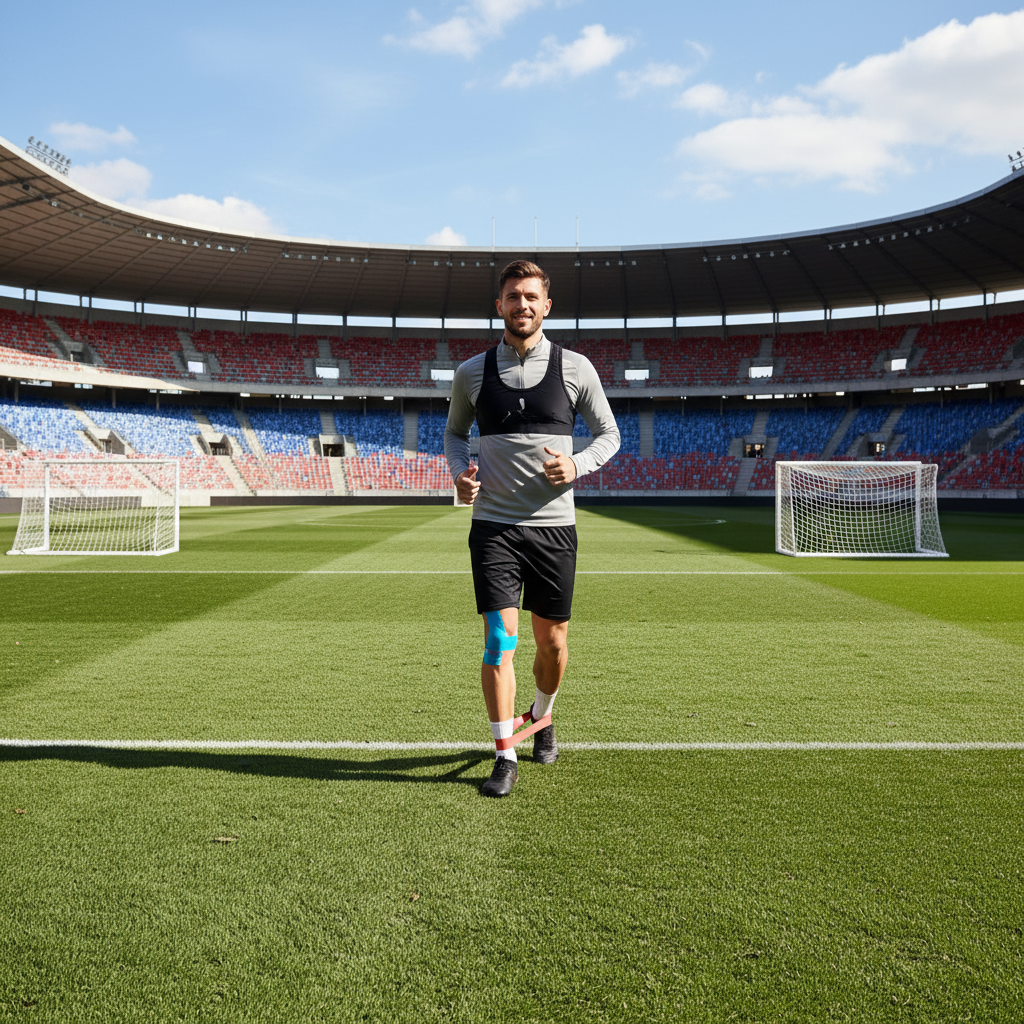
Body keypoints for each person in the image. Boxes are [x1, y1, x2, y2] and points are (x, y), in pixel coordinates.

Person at [444, 260, 620, 798]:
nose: (521, 305)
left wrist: (578, 465)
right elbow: (454, 434)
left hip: (553, 530)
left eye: (531, 297)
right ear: (498, 306)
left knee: (554, 644)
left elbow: (609, 435)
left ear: (546, 306)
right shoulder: (472, 372)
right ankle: (504, 753)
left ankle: (542, 716)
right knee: (500, 641)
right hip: (494, 526)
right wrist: (459, 477)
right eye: (512, 296)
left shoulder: (576, 368)